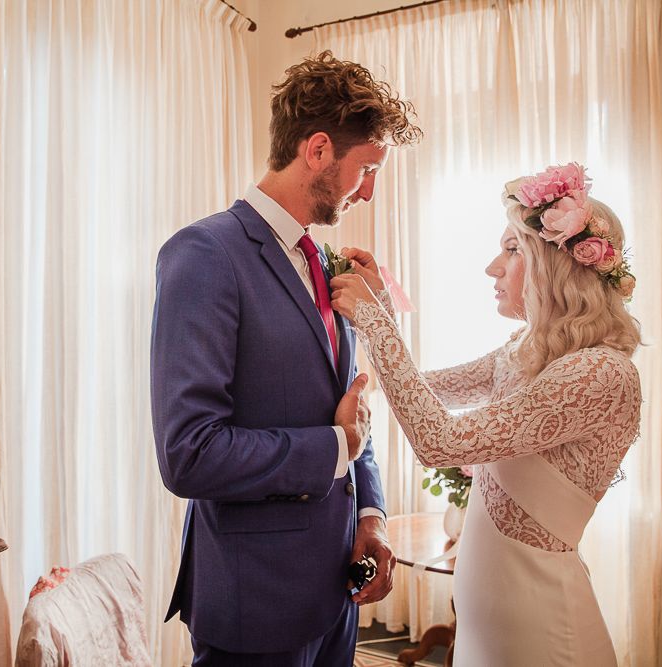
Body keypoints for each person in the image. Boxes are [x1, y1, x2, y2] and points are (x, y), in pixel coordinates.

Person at [150, 51, 421, 666]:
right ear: (319, 150)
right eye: (368, 169)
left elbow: (352, 414)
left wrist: (371, 517)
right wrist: (335, 448)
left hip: (334, 600)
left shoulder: (322, 263)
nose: (370, 192)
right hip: (256, 607)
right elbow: (189, 454)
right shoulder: (205, 256)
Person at [330, 163, 642, 666]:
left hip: (543, 628)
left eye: (512, 249)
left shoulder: (600, 374)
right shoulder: (525, 349)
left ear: (557, 265)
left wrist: (373, 320)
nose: (493, 267)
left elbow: (439, 441)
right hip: (486, 625)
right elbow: (426, 390)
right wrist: (382, 312)